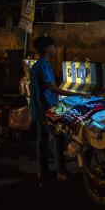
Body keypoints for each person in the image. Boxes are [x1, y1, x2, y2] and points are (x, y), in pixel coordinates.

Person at [29, 36, 88, 182]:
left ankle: (42, 172)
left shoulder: (36, 65)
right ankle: (61, 172)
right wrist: (76, 94)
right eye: (53, 47)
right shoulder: (45, 65)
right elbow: (52, 88)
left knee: (42, 141)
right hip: (47, 108)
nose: (55, 49)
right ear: (47, 48)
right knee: (59, 137)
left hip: (37, 108)